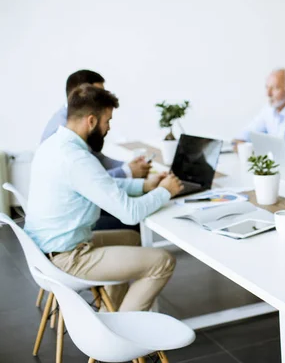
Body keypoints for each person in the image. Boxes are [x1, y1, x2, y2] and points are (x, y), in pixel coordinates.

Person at [25, 84, 184, 312]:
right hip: (68, 258)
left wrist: (145, 185)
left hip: (48, 250)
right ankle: (125, 331)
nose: (108, 128)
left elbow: (97, 183)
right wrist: (165, 191)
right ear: (91, 121)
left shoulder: (55, 146)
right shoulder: (77, 158)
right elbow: (130, 213)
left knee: (130, 238)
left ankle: (110, 312)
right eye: (107, 121)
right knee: (163, 261)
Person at [41, 69, 151, 179]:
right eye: (98, 94)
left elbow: (98, 159)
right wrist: (128, 172)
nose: (103, 98)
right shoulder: (62, 132)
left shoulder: (76, 121)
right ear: (82, 93)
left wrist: (128, 166)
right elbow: (89, 179)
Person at [234, 68, 285, 159]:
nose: (268, 94)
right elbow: (247, 133)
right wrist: (240, 142)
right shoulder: (269, 109)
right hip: (279, 167)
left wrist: (261, 150)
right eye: (267, 87)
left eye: (275, 88)